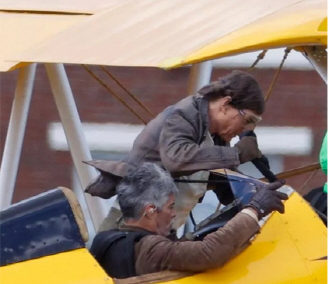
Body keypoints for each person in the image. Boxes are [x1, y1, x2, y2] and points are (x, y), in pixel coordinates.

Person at [84, 70, 269, 232]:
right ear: (226, 104)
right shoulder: (184, 115)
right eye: (247, 120)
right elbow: (176, 158)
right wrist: (236, 155)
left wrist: (258, 192)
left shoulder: (216, 135)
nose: (245, 129)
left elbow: (220, 181)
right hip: (130, 225)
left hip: (161, 226)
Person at [90, 163, 287, 279]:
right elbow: (209, 253)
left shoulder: (108, 239)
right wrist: (255, 209)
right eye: (170, 207)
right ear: (150, 211)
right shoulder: (150, 249)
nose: (174, 214)